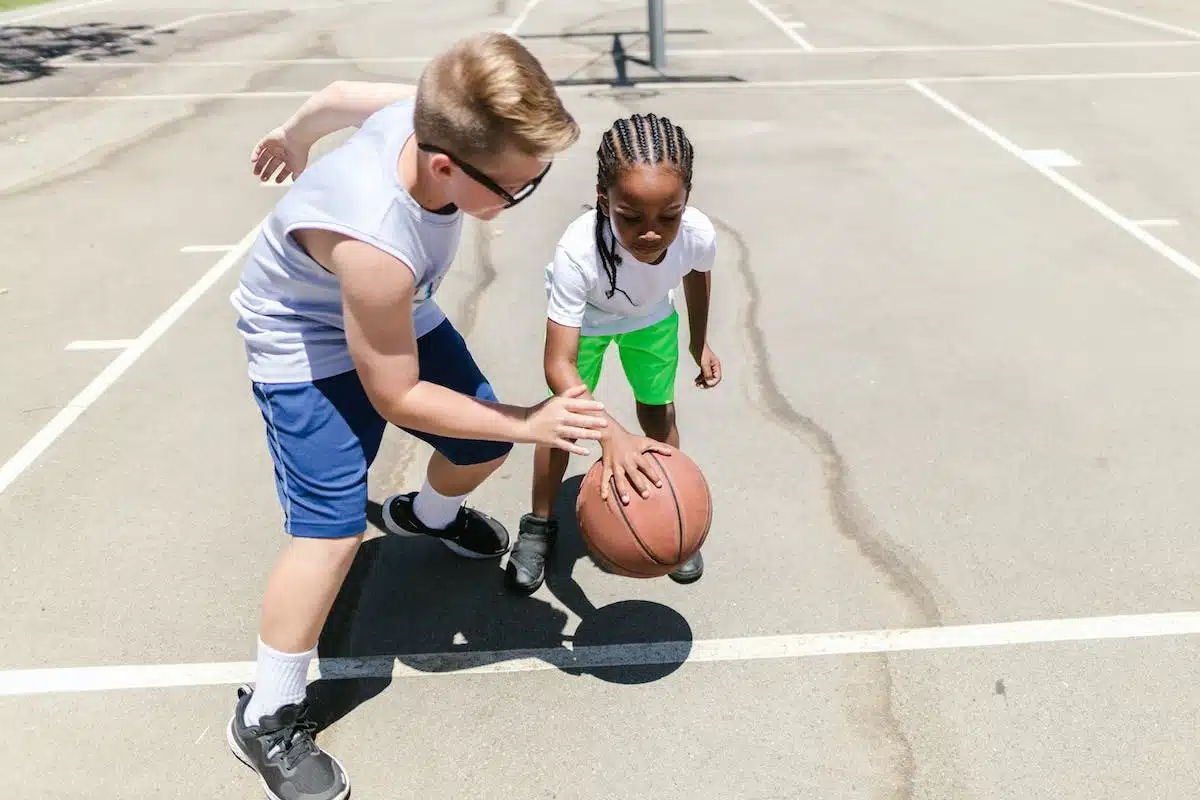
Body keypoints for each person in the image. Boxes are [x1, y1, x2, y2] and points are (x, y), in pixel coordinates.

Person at [225, 33, 607, 800]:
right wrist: (531, 420)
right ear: (445, 167)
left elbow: (336, 93)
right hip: (304, 337)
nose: (523, 196)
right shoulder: (377, 242)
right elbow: (394, 396)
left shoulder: (430, 112)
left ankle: (426, 516)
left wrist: (293, 137)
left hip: (400, 311)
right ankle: (266, 715)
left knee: (477, 443)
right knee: (328, 533)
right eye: (516, 187)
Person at [504, 112, 721, 596]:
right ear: (605, 201)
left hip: (650, 318)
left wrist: (698, 340)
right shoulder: (577, 252)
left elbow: (696, 276)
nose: (651, 233)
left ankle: (667, 507)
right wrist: (609, 434)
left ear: (685, 203)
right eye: (631, 217)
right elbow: (558, 363)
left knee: (657, 410)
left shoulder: (697, 233)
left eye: (669, 216)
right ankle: (539, 524)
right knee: (563, 421)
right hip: (590, 321)